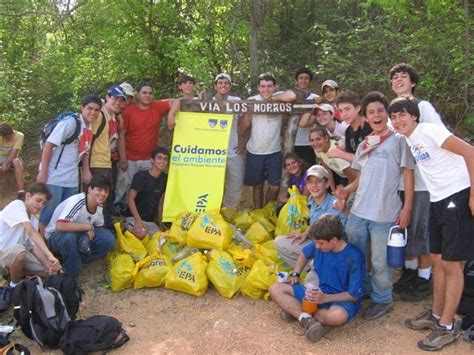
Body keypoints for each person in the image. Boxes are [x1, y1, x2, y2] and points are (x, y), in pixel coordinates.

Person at [389, 97, 474, 351]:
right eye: (394, 117)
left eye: (402, 114)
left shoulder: (429, 130)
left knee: (451, 263)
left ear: (415, 116)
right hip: (438, 200)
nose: (397, 120)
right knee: (437, 260)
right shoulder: (410, 139)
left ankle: (447, 326)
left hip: (457, 195)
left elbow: (470, 152)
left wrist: (473, 195)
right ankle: (436, 314)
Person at [335, 91, 415, 320]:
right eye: (372, 112)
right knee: (357, 256)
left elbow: (408, 175)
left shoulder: (399, 141)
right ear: (366, 116)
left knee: (380, 261)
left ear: (386, 115)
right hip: (359, 212)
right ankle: (360, 291)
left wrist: (407, 208)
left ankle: (383, 300)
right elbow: (363, 177)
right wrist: (347, 190)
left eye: (381, 111)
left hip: (385, 212)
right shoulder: (366, 143)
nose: (376, 115)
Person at [389, 63, 445, 302]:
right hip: (401, 182)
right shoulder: (392, 114)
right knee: (406, 229)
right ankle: (409, 274)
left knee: (421, 231)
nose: (399, 80)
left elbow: (439, 136)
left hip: (423, 182)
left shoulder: (422, 107)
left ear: (413, 82)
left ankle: (424, 277)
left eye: (404, 76)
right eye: (395, 78)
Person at [270, 214, 366, 343]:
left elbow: (354, 295)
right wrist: (296, 273)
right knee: (275, 289)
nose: (317, 247)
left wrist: (326, 298)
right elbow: (304, 254)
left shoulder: (355, 256)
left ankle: (298, 311)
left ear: (334, 240)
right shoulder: (319, 245)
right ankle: (306, 319)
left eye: (321, 243)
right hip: (314, 293)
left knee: (337, 316)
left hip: (338, 300)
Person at [37, 95, 101, 234]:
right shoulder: (70, 123)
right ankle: (41, 245)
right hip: (54, 177)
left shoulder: (89, 126)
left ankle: (56, 245)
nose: (93, 113)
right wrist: (43, 172)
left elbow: (85, 149)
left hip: (71, 180)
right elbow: (49, 145)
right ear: (82, 108)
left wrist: (86, 170)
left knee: (65, 216)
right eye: (89, 108)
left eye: (96, 110)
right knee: (48, 214)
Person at [275, 165, 347, 269]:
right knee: (279, 241)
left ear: (327, 184)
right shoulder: (311, 200)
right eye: (310, 182)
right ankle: (310, 269)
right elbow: (315, 223)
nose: (314, 185)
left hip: (329, 248)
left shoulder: (334, 204)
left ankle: (319, 267)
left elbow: (337, 236)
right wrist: (305, 233)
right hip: (315, 243)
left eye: (318, 181)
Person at [45, 176, 116, 277]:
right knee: (69, 238)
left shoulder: (99, 205)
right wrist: (88, 227)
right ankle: (70, 272)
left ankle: (77, 258)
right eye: (99, 189)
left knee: (109, 239)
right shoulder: (78, 201)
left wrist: (89, 233)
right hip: (55, 236)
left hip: (79, 234)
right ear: (90, 190)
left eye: (106, 191)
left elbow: (99, 228)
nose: (103, 194)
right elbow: (60, 226)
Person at [115, 82, 171, 205]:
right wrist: (123, 158)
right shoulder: (129, 110)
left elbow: (176, 101)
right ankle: (117, 214)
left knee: (145, 190)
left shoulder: (157, 107)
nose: (147, 96)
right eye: (144, 93)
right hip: (130, 158)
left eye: (150, 93)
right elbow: (121, 135)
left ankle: (141, 215)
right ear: (138, 94)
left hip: (148, 159)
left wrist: (171, 115)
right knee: (123, 188)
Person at [0, 183, 61, 288]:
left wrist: (50, 266)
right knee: (20, 251)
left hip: (16, 255)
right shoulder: (17, 205)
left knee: (48, 271)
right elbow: (31, 232)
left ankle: (18, 272)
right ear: (28, 196)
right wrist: (50, 255)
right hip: (3, 254)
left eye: (44, 203)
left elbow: (35, 247)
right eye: (38, 200)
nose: (40, 206)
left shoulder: (33, 219)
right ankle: (15, 285)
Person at [82, 85, 127, 227]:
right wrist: (86, 169)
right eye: (115, 99)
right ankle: (89, 232)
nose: (118, 103)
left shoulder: (111, 116)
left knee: (103, 203)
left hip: (105, 164)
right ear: (107, 97)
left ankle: (101, 231)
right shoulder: (99, 115)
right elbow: (87, 141)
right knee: (92, 203)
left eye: (121, 101)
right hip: (95, 165)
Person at [239, 73, 283, 209]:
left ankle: (267, 210)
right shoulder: (252, 100)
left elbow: (293, 96)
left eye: (270, 86)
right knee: (257, 185)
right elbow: (243, 127)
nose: (266, 89)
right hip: (255, 150)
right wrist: (249, 112)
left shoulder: (281, 100)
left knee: (274, 186)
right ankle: (259, 213)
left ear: (275, 87)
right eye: (263, 86)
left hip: (274, 151)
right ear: (258, 87)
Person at [212, 73, 244, 209]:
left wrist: (243, 141)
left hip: (233, 150)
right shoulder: (207, 102)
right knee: (213, 184)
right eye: (220, 83)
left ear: (230, 86)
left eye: (226, 83)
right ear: (215, 86)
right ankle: (213, 211)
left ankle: (229, 212)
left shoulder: (236, 101)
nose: (223, 85)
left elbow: (246, 121)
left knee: (235, 184)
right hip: (214, 152)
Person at [125, 147, 169, 239]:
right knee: (141, 233)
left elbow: (160, 200)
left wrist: (160, 221)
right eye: (159, 158)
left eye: (165, 159)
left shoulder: (165, 179)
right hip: (134, 218)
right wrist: (138, 220)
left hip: (150, 222)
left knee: (162, 239)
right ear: (152, 160)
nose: (162, 161)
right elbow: (130, 199)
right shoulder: (140, 176)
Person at [328, 90, 372, 164]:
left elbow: (367, 159)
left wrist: (340, 154)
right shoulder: (348, 131)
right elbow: (352, 156)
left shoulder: (369, 126)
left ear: (358, 108)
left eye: (347, 109)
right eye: (341, 111)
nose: (344, 114)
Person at [308, 126, 357, 191]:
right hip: (343, 177)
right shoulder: (317, 150)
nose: (315, 143)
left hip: (356, 176)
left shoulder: (336, 152)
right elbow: (328, 169)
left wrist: (344, 193)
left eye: (318, 139)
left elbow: (354, 178)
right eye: (312, 140)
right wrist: (333, 191)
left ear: (326, 138)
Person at [0, 123, 25, 199]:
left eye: (8, 136)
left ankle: (21, 191)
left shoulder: (19, 136)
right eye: (4, 137)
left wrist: (6, 164)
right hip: (1, 156)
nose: (6, 138)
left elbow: (14, 153)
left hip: (11, 157)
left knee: (16, 161)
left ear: (11, 133)